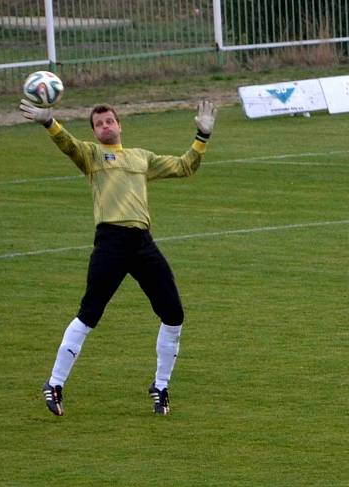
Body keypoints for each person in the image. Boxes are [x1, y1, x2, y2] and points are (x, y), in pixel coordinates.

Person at [18, 96, 217, 416]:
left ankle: (161, 386)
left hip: (142, 243)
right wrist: (48, 122)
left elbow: (184, 167)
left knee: (174, 314)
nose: (105, 125)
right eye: (99, 124)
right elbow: (68, 144)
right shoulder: (92, 155)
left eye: (109, 120)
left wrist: (202, 136)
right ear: (95, 133)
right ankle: (54, 383)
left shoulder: (141, 157)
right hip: (110, 242)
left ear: (120, 125)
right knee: (89, 314)